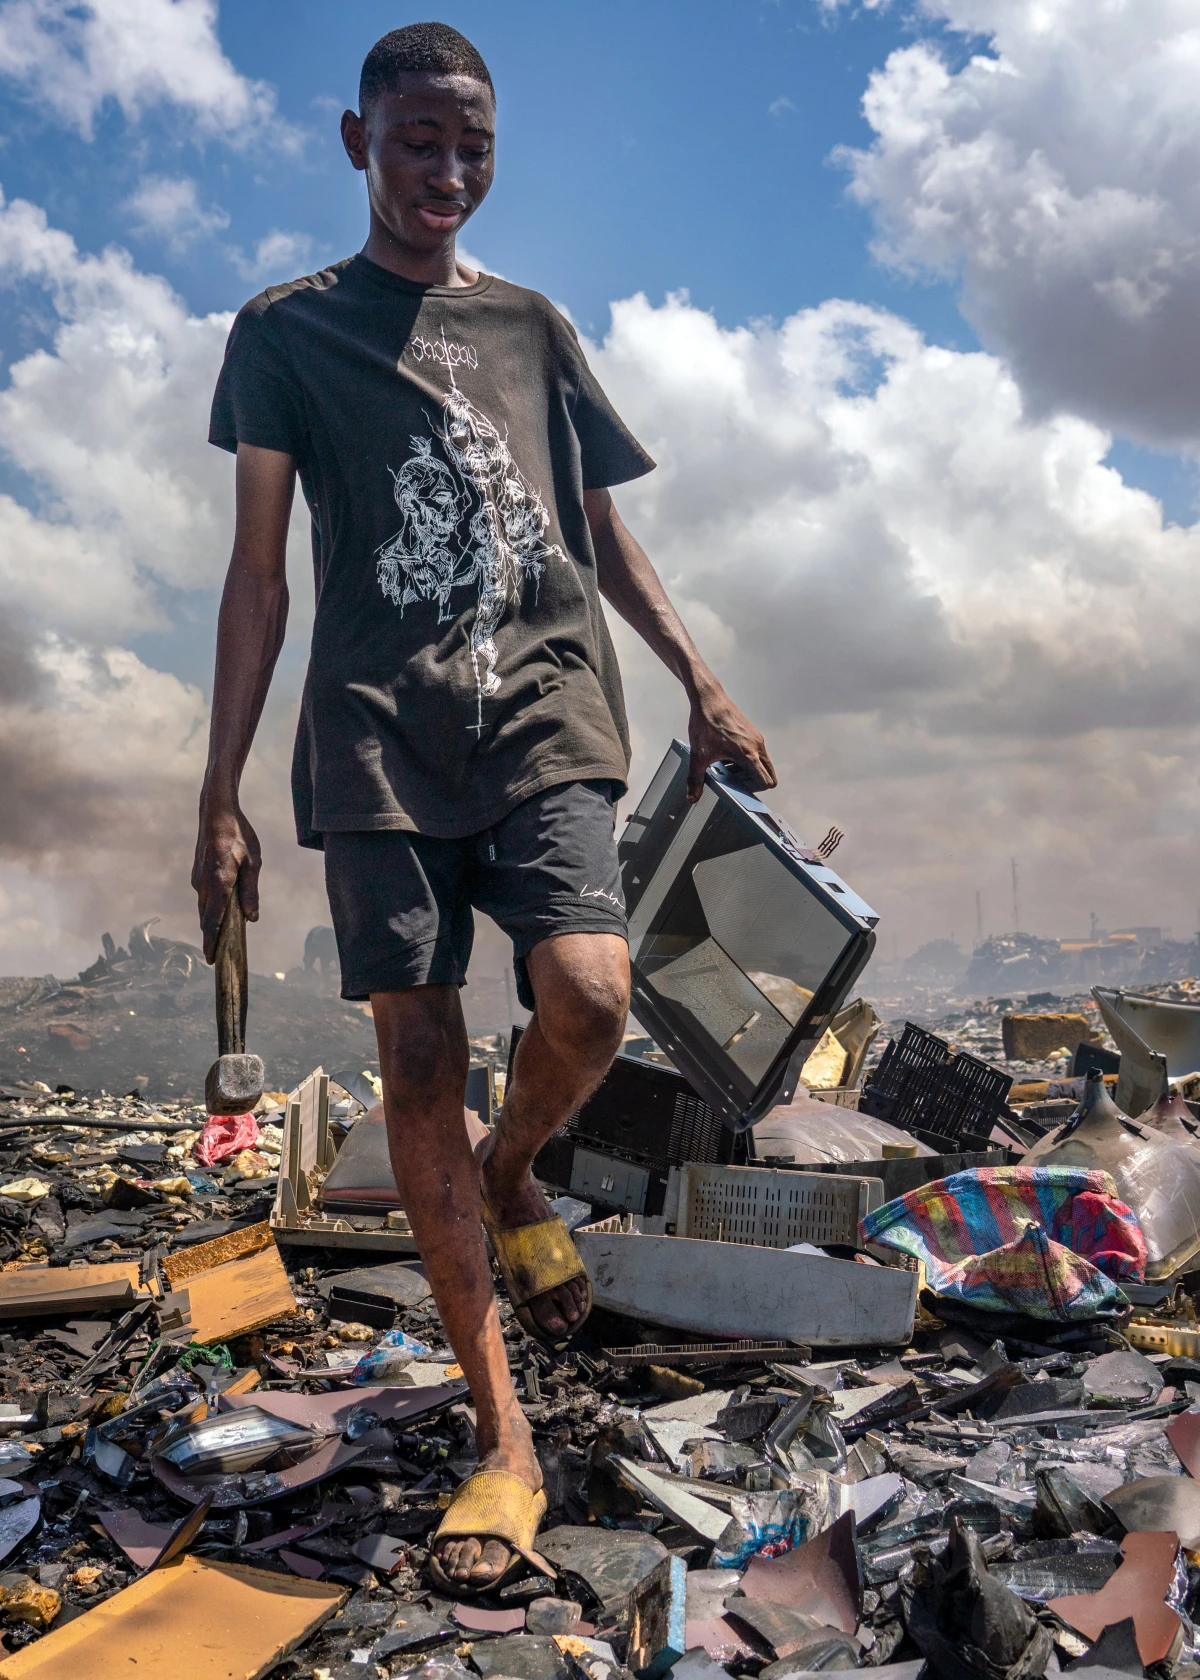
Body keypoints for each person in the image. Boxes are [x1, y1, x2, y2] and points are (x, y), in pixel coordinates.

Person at [192, 21, 775, 1595]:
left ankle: (516, 1172)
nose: (446, 173)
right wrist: (221, 794)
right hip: (376, 738)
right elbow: (258, 579)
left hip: (543, 710)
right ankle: (502, 1437)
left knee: (589, 997)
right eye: (418, 143)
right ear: (354, 142)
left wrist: (703, 682)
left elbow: (597, 526)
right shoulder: (286, 333)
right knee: (416, 1052)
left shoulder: (532, 326)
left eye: (473, 147)